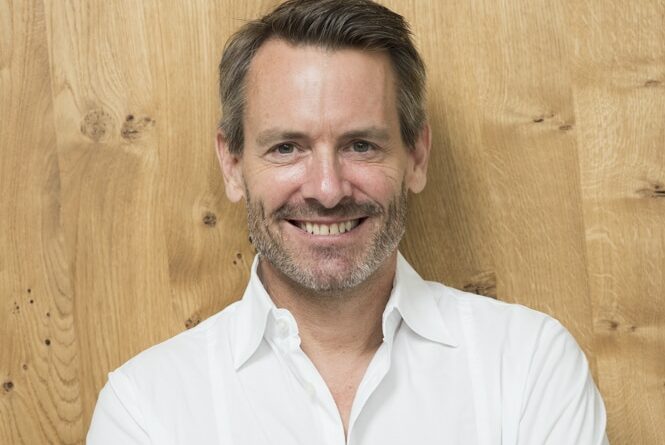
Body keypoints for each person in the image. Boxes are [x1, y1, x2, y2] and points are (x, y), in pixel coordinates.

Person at [87, 0, 609, 443]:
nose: (327, 189)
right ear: (232, 165)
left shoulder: (528, 367)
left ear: (416, 156)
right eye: (286, 147)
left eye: (360, 145)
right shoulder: (146, 412)